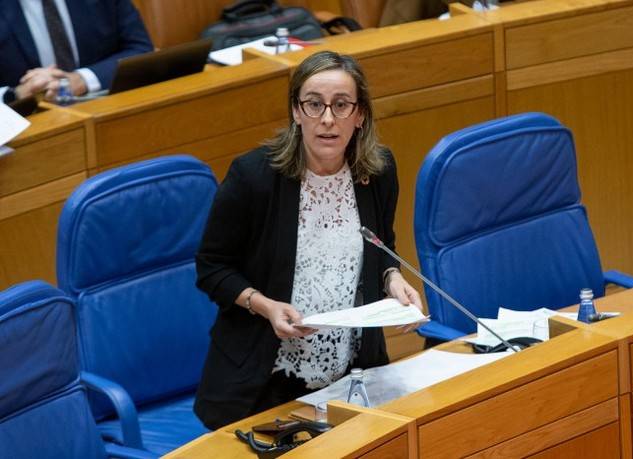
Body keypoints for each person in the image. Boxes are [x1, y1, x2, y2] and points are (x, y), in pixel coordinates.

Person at [194, 50, 423, 429]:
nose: (328, 119)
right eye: (314, 104)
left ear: (360, 115)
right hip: (263, 382)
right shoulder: (254, 177)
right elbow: (211, 267)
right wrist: (264, 305)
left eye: (341, 104)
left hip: (351, 373)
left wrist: (392, 279)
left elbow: (380, 246)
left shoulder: (378, 171)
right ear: (296, 112)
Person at [0, 0, 152, 104]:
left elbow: (141, 49)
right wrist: (16, 94)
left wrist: (81, 80)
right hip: (26, 126)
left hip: (106, 105)